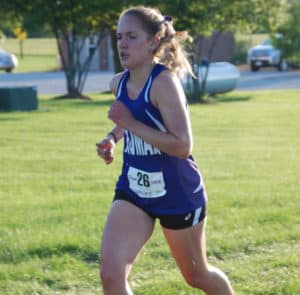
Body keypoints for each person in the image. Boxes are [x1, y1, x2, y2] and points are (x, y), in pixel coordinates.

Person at [96, 6, 234, 295]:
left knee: (197, 276)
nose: (122, 44)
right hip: (134, 190)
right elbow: (130, 122)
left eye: (131, 36)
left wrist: (128, 122)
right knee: (111, 275)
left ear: (153, 41)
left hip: (178, 194)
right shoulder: (118, 83)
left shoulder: (164, 83)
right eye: (119, 36)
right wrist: (113, 136)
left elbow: (182, 146)